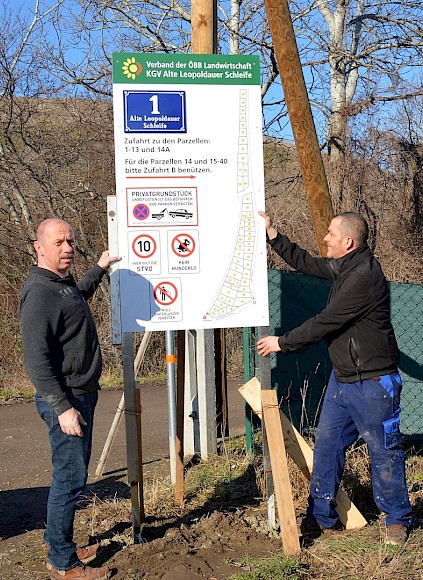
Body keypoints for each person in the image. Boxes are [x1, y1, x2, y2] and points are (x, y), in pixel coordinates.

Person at [257, 210, 412, 546]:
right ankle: (321, 516)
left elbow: (326, 321)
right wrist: (274, 236)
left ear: (348, 242)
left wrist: (283, 342)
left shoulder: (363, 276)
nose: (325, 238)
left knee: (384, 450)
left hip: (374, 383)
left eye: (330, 234)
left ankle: (397, 519)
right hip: (343, 380)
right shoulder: (347, 266)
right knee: (327, 447)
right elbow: (308, 264)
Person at [20, 218, 121, 580]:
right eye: (58, 242)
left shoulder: (59, 284)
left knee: (70, 475)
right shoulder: (40, 293)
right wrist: (63, 408)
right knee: (70, 478)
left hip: (78, 395)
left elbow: (77, 297)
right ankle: (63, 563)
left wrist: (100, 267)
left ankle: (57, 543)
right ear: (39, 247)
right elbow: (36, 360)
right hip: (67, 400)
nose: (67, 248)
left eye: (71, 241)